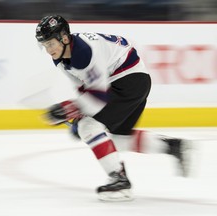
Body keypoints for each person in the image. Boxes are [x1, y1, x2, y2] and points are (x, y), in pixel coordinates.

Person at [35, 15, 190, 201]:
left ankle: (120, 182)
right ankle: (172, 146)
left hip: (127, 81)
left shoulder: (84, 52)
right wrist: (76, 113)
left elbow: (98, 98)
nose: (48, 50)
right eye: (44, 45)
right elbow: (85, 87)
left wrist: (67, 110)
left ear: (65, 38)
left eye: (51, 44)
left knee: (89, 127)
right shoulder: (61, 57)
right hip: (130, 79)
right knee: (117, 139)